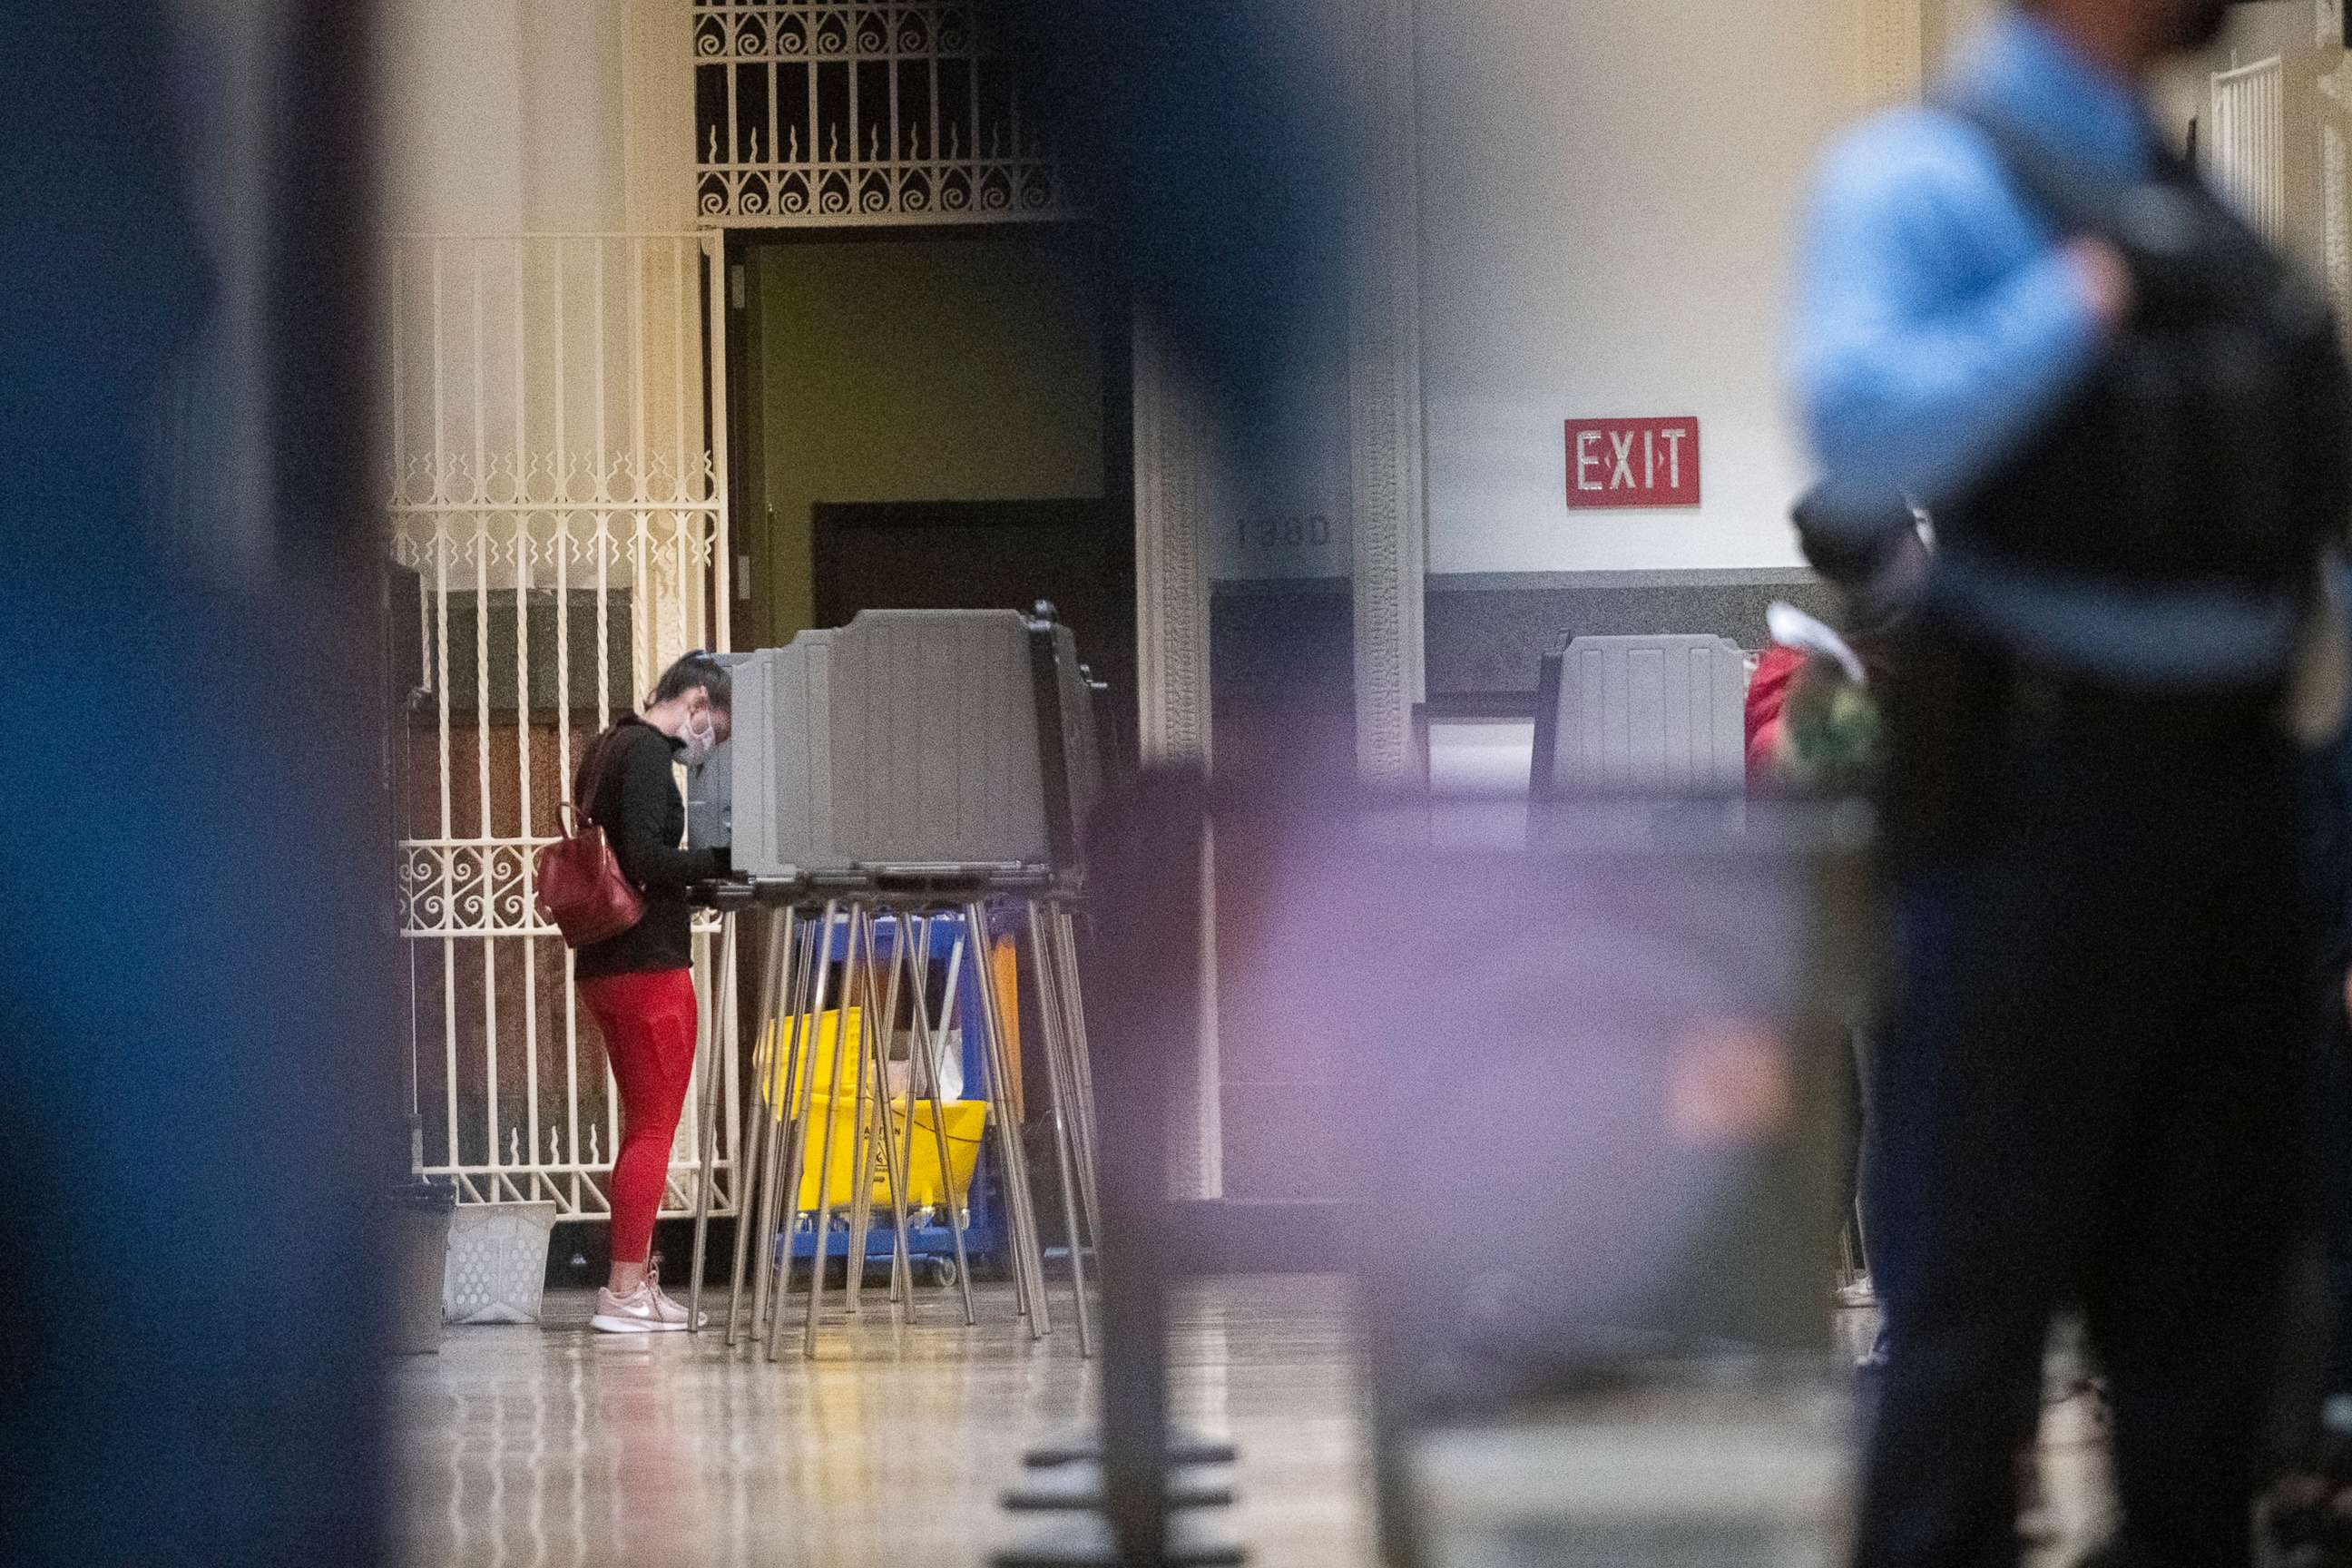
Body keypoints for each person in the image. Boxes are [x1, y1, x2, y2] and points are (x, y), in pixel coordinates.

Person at [1788, 2, 2352, 1563]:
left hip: (2235, 810)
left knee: (2202, 1372)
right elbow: (1856, 421)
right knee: (1968, 1338)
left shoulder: (2213, 223)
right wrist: (2072, 304)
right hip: (2033, 811)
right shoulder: (1925, 180)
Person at [574, 650, 734, 1333]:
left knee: (643, 1126)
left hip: (606, 964)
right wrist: (722, 862)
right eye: (715, 728)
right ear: (696, 700)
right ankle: (623, 1289)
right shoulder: (645, 755)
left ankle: (635, 1281)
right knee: (653, 1130)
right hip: (649, 967)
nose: (710, 744)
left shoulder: (608, 746)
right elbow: (644, 858)